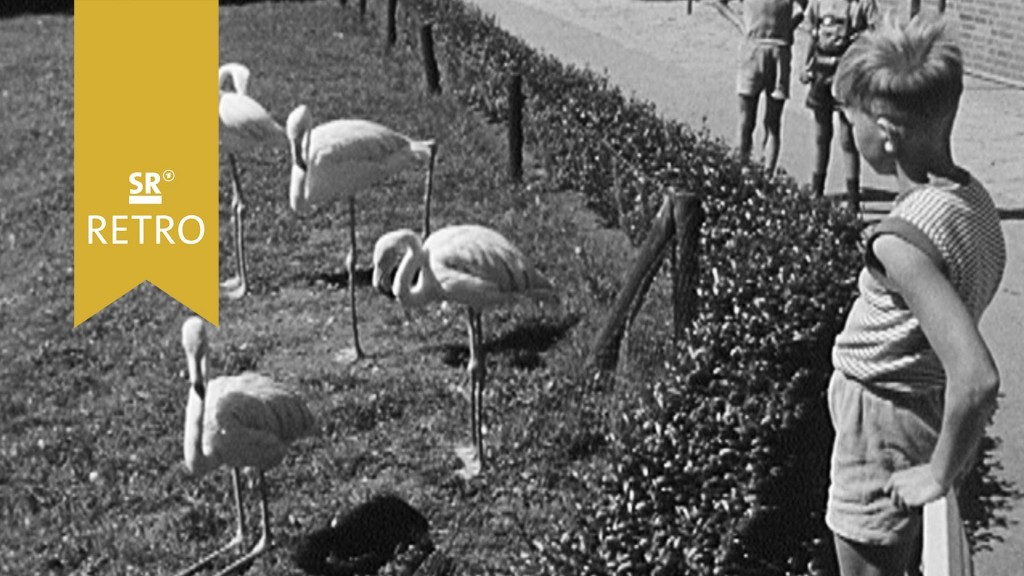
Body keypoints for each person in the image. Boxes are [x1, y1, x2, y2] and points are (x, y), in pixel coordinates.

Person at [826, 15, 1006, 576]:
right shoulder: (972, 202)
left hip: (883, 422)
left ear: (884, 130)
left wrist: (936, 473)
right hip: (920, 404)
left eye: (847, 120)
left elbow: (976, 378)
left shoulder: (902, 244)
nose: (844, 134)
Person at [800, 0, 879, 211]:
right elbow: (811, 35)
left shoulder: (861, 5)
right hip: (821, 70)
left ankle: (853, 197)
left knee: (847, 138)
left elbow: (876, 33)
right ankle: (817, 189)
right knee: (821, 135)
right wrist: (806, 65)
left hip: (846, 74)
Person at [735, 0, 806, 174]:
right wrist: (739, 24)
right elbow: (720, 4)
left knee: (773, 123)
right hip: (753, 48)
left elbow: (804, 5)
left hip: (779, 50)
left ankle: (768, 176)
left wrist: (791, 24)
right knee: (746, 121)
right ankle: (741, 168)